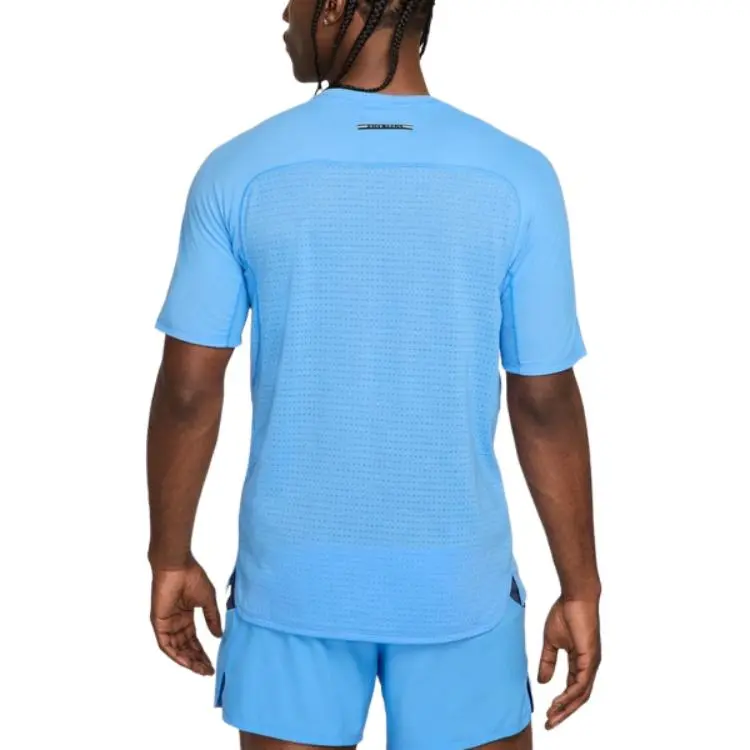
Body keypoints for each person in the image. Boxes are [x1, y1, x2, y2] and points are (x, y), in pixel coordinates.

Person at [147, 1, 601, 748]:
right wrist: (580, 586)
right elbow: (545, 401)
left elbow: (189, 390)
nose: (284, 13)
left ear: (336, 8)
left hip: (293, 584)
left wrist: (169, 554)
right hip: (458, 585)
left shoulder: (240, 170)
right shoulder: (517, 175)